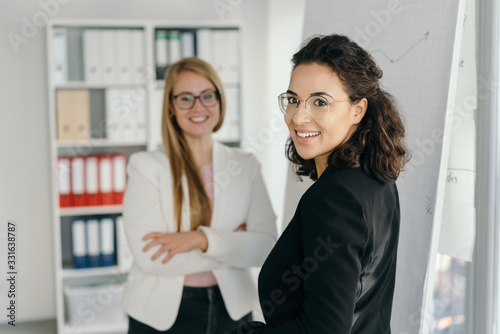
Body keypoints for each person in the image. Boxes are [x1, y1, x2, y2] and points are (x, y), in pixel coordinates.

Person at [231, 34, 408, 333]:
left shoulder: (333, 198)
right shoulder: (376, 180)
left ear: (357, 109)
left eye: (319, 102)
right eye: (293, 100)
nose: (299, 117)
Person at [121, 57, 277, 334]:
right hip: (161, 315)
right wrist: (234, 244)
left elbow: (265, 247)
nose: (198, 107)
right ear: (171, 105)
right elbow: (151, 257)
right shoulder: (146, 167)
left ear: (219, 99)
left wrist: (199, 239)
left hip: (232, 309)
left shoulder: (245, 165)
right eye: (185, 98)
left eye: (207, 95)